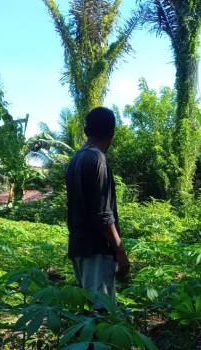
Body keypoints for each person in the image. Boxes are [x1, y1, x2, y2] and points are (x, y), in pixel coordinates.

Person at [65, 107, 130, 310]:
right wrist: (120, 251)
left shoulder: (75, 159)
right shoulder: (97, 160)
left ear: (86, 131)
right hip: (96, 249)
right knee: (100, 314)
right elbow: (102, 214)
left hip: (78, 245)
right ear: (112, 132)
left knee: (86, 309)